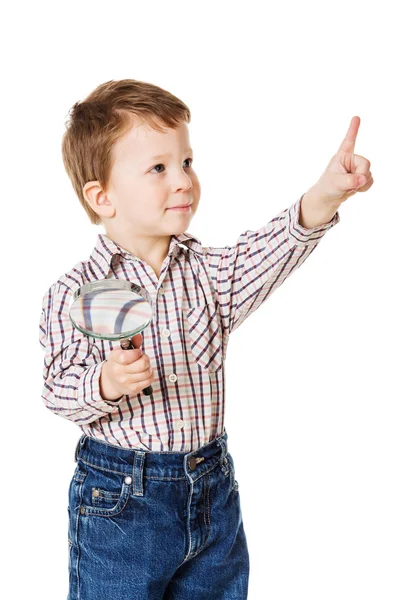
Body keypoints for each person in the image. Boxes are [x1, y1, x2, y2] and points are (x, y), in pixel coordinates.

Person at [38, 78, 373, 600]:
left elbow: (273, 250)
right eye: (158, 168)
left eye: (187, 163)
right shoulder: (74, 292)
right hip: (122, 500)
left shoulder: (209, 275)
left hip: (212, 489)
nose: (183, 181)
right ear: (102, 197)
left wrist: (326, 193)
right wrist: (104, 382)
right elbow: (57, 388)